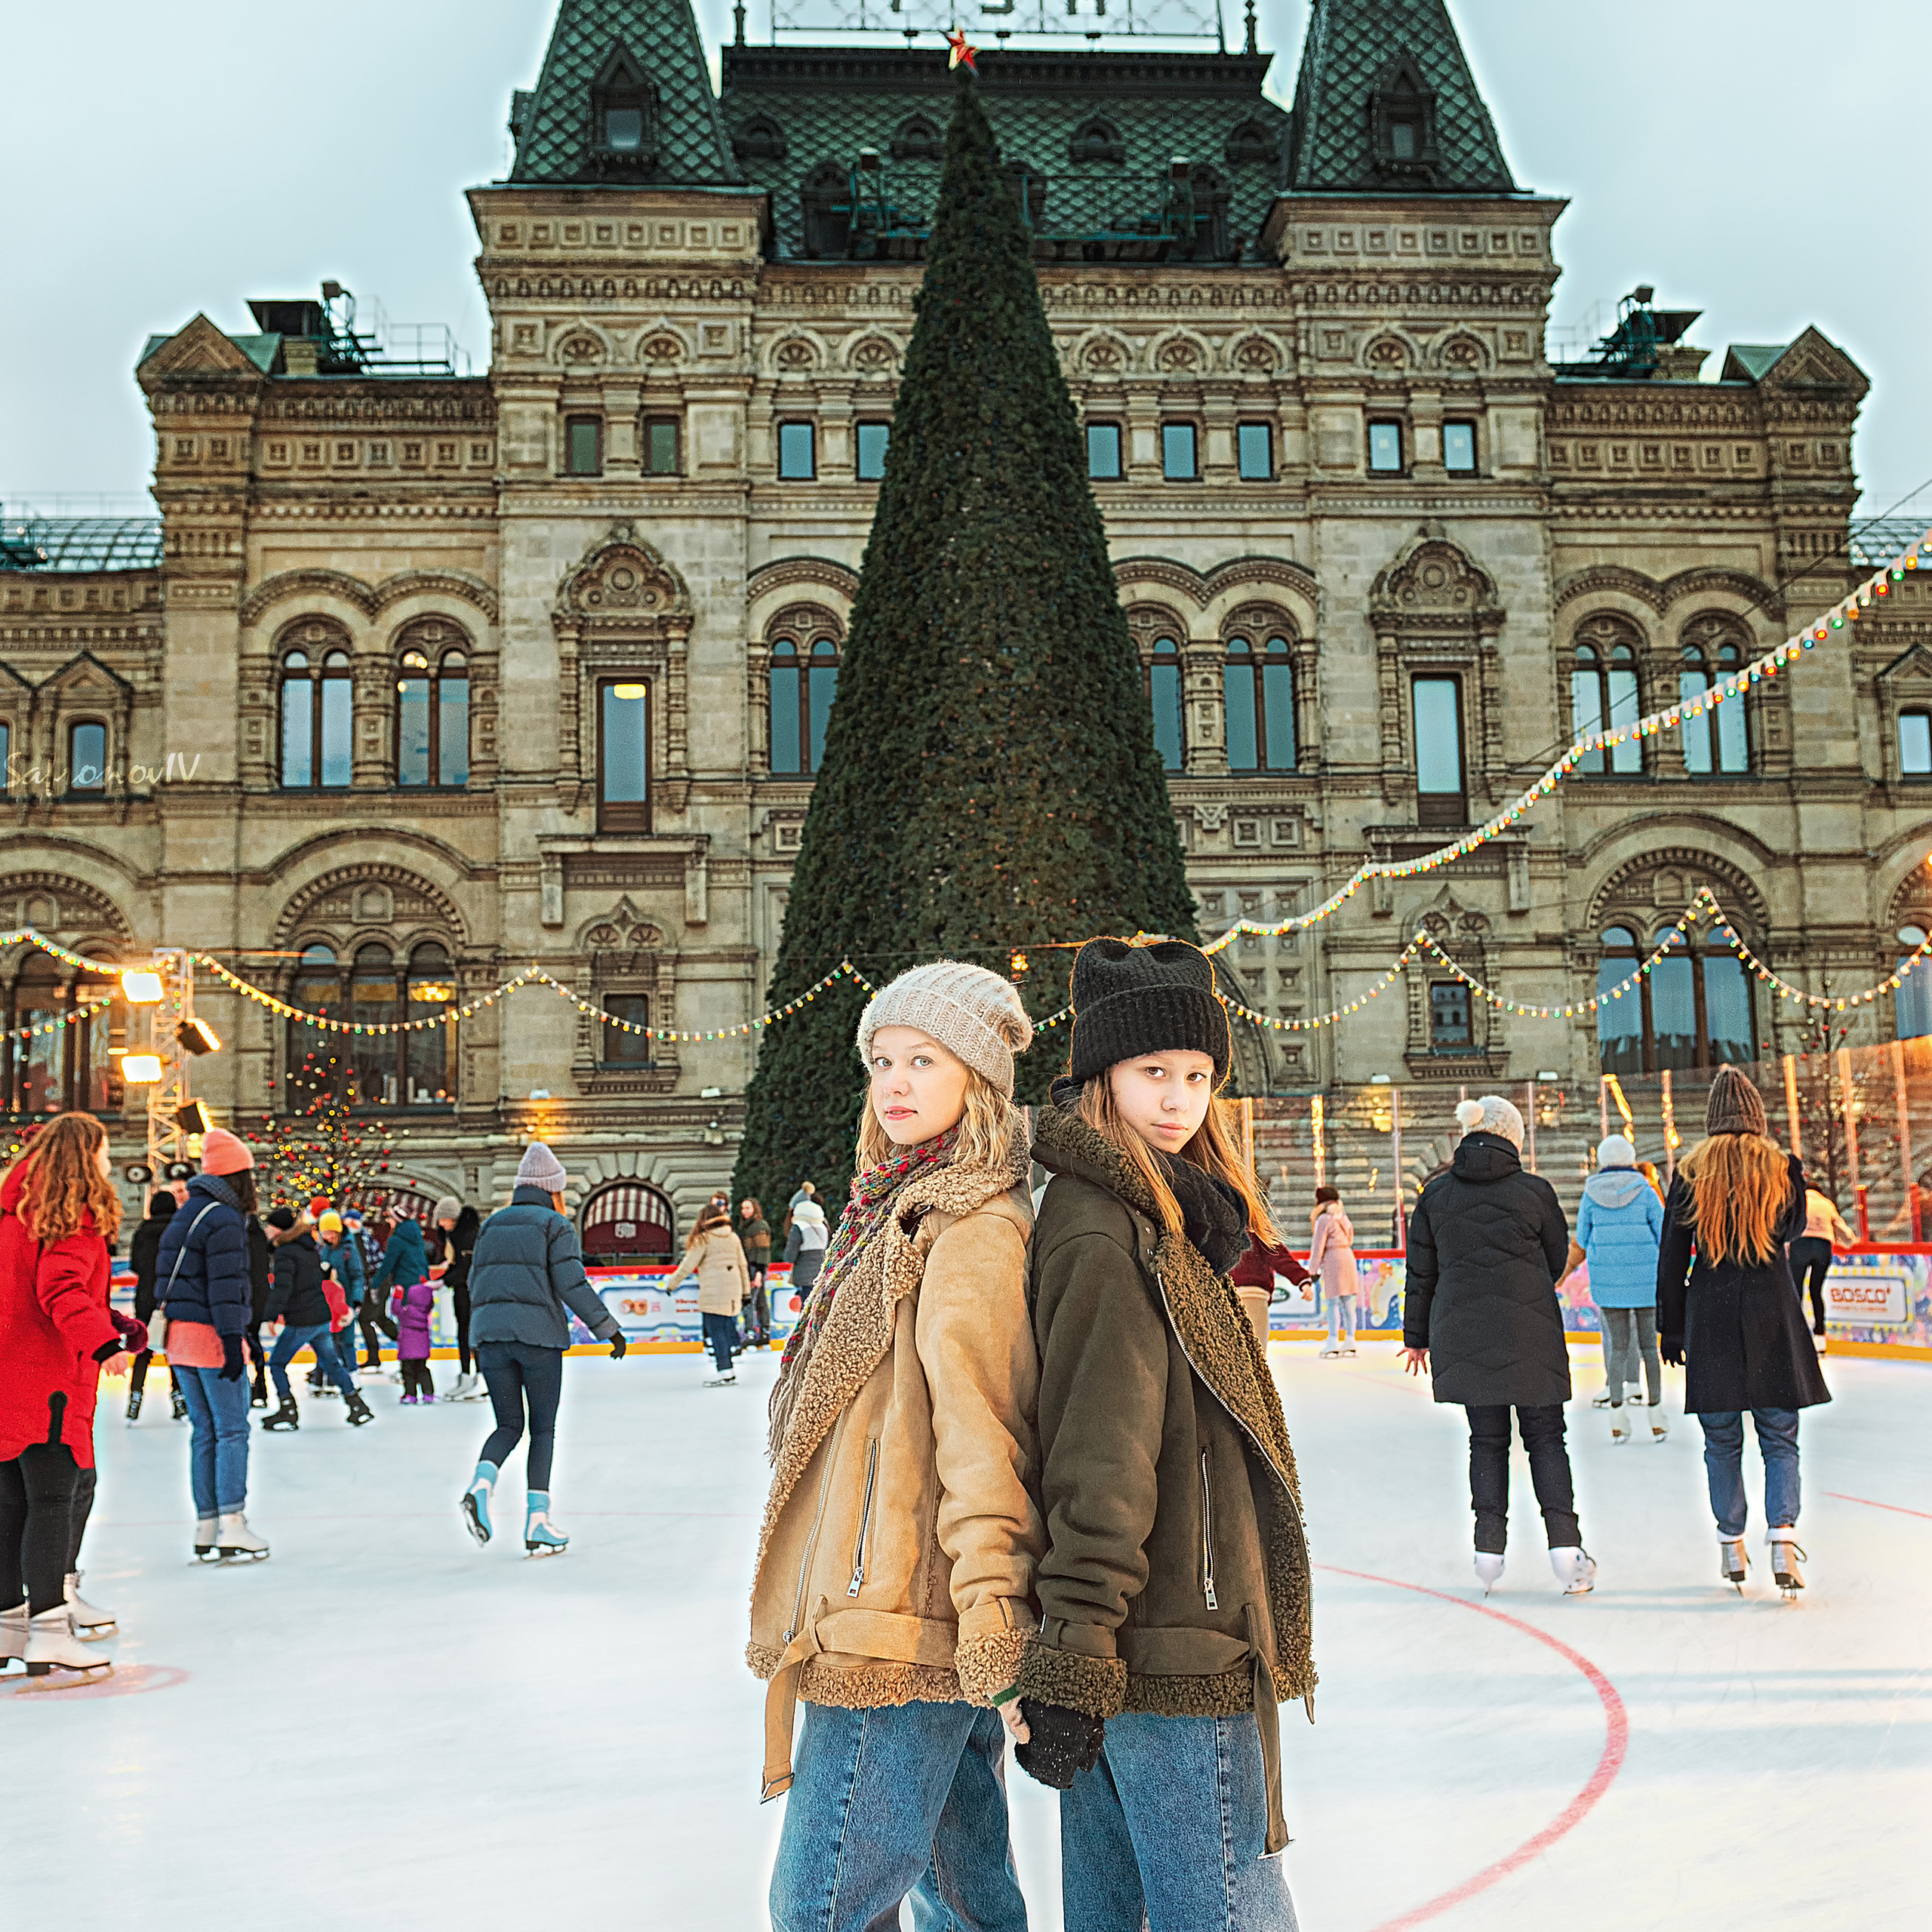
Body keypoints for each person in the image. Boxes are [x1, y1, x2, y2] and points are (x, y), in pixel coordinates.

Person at [1005, 938, 1309, 1932]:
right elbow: (1100, 1459)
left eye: (1197, 1076)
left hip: (1148, 1640)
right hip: (1172, 1649)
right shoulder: (1108, 1234)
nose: (1180, 1098)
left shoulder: (1164, 1217)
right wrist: (1077, 1652)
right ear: (1101, 1077)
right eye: (1153, 1074)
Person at [750, 960, 1041, 1932]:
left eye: (924, 1058)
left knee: (820, 1907)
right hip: (906, 1610)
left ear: (979, 1077)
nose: (896, 1082)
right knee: (965, 1899)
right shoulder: (888, 1211)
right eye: (882, 1060)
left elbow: (985, 1431)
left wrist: (996, 1610)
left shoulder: (969, 1226)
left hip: (902, 1621)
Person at [1403, 1095, 1592, 1598]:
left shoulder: (1435, 1194)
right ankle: (1566, 1551)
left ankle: (1488, 1551)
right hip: (1531, 1331)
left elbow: (1422, 1272)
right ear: (1513, 1137)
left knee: (1486, 1442)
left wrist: (1416, 1338)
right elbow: (1557, 1260)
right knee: (1547, 1439)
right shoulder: (1534, 1191)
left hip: (1462, 1335)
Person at [1658, 1067, 1832, 1598]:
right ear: (1756, 1119)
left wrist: (1670, 1328)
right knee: (1779, 1437)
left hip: (1709, 1313)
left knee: (1722, 1439)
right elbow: (1790, 1230)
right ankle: (1782, 1536)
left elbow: (1671, 1258)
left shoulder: (1690, 1173)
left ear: (1712, 1121)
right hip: (1771, 1311)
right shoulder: (1783, 1169)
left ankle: (1731, 1542)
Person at [0, 1114, 136, 1684]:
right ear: (86, 1156)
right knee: (53, 1502)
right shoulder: (69, 1221)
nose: (108, 1161)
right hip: (51, 1381)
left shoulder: (13, 1218)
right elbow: (60, 1290)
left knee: (11, 1506)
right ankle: (51, 1631)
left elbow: (37, 1291)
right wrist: (104, 1343)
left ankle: (8, 1625)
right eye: (105, 1151)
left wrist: (113, 1322)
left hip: (9, 1377)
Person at [461, 1142, 626, 1556]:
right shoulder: (555, 1226)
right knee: (542, 1429)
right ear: (553, 1188)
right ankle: (538, 1522)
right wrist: (609, 1330)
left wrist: (482, 1331)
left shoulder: (491, 1225)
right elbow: (572, 1284)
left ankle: (481, 1485)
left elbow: (473, 1284)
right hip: (538, 1342)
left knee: (507, 1426)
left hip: (490, 1340)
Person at [153, 1127, 270, 1563]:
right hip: (210, 1338)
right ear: (238, 1176)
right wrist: (232, 1340)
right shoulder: (223, 1217)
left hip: (180, 1339)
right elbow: (225, 1287)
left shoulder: (188, 1211)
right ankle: (234, 1525)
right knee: (232, 1430)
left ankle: (207, 1525)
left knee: (204, 1431)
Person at [1568, 1135, 1666, 1442]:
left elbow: (1582, 1239)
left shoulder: (1590, 1195)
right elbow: (1664, 1234)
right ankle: (1656, 1414)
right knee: (1650, 1346)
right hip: (1646, 1280)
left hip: (1607, 1282)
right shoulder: (1647, 1192)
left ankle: (1617, 1415)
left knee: (1618, 1346)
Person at [259, 1208, 371, 1429]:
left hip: (303, 1318)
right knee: (331, 1362)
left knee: (277, 1363)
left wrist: (271, 1316)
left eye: (270, 1226)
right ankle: (357, 1405)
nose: (267, 1230)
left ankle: (287, 1410)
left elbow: (283, 1287)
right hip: (320, 1317)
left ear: (279, 1229)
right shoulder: (308, 1248)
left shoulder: (286, 1253)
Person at [669, 1202, 752, 1387]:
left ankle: (725, 1370)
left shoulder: (704, 1239)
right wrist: (746, 1292)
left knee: (716, 1332)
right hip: (733, 1290)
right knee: (723, 1329)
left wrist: (671, 1284)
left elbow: (687, 1266)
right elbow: (743, 1266)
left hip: (714, 1293)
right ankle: (728, 1367)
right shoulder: (733, 1237)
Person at [126, 1187, 186, 1424]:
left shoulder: (142, 1232)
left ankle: (135, 1397)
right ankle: (179, 1398)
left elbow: (135, 1265)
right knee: (174, 1349)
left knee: (143, 1349)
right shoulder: (180, 1231)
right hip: (174, 1295)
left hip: (145, 1296)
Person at [1789, 1182, 1854, 1352]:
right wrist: (1848, 1241)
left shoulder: (1799, 1201)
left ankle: (1797, 1335)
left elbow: (1788, 1224)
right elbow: (1843, 1230)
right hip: (1823, 1247)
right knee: (1816, 1290)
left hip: (1800, 1243)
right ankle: (1820, 1337)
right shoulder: (1827, 1203)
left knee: (1797, 1291)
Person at [432, 1198, 484, 1398]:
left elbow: (466, 1268)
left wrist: (444, 1282)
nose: (440, 1224)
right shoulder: (453, 1237)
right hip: (462, 1292)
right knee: (463, 1333)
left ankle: (480, 1376)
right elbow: (456, 1266)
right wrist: (443, 1280)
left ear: (453, 1218)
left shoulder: (467, 1236)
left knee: (473, 1334)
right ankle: (466, 1376)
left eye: (443, 1219)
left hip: (472, 1292)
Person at [368, 1209, 429, 1382]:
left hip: (406, 1290)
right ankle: (418, 1368)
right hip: (421, 1287)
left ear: (397, 1220)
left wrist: (375, 1284)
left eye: (390, 1219)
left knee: (405, 1329)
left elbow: (388, 1265)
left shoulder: (397, 1240)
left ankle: (407, 1369)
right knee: (418, 1329)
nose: (388, 1222)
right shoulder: (416, 1236)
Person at [1310, 1184, 1358, 1358]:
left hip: (1333, 1259)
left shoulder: (1324, 1218)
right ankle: (1351, 1340)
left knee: (1332, 1302)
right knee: (1347, 1302)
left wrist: (1313, 1270)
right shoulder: (1343, 1217)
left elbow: (1318, 1245)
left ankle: (1332, 1341)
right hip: (1348, 1256)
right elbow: (1351, 1238)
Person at [345, 1208, 396, 1369]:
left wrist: (365, 1287)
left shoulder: (357, 1239)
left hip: (377, 1282)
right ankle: (401, 1341)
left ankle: (380, 1353)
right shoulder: (361, 1237)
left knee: (366, 1318)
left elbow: (363, 1267)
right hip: (379, 1281)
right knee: (378, 1317)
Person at [391, 1269, 438, 1404]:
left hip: (408, 1350)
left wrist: (397, 1297)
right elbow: (429, 1303)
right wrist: (426, 1290)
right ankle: (428, 1393)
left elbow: (395, 1310)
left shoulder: (407, 1312)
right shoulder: (425, 1314)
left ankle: (410, 1394)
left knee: (408, 1371)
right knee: (423, 1370)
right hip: (422, 1350)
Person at [739, 1197, 771, 1347]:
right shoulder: (749, 1226)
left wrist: (759, 1272)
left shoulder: (759, 1226)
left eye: (748, 1208)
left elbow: (763, 1250)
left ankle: (751, 1332)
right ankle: (765, 1331)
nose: (744, 1211)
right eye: (743, 1208)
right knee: (760, 1300)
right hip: (753, 1266)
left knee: (749, 1300)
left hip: (755, 1267)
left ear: (755, 1209)